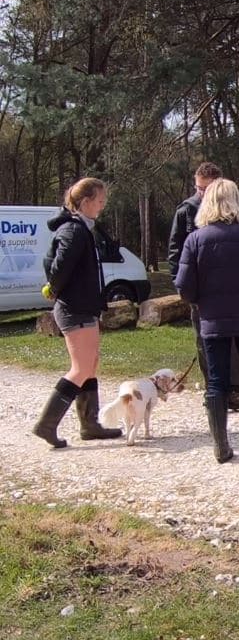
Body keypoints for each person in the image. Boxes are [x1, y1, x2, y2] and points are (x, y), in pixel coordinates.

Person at [174, 179, 239, 464]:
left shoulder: (195, 239)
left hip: (212, 320)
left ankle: (221, 447)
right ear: (237, 202)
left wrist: (199, 300)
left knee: (216, 382)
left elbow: (184, 286)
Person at [31, 178, 123, 447]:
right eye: (100, 201)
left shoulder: (82, 228)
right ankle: (46, 425)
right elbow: (59, 270)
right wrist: (56, 291)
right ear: (85, 202)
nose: (102, 206)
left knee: (90, 364)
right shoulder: (73, 230)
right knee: (80, 368)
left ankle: (90, 424)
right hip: (74, 308)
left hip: (84, 307)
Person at [168, 162, 239, 414]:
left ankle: (235, 391)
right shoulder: (186, 210)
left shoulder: (237, 212)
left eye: (207, 189)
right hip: (203, 293)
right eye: (198, 188)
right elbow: (175, 252)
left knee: (238, 344)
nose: (202, 194)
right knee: (205, 342)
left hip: (235, 291)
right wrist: (182, 286)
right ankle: (214, 391)